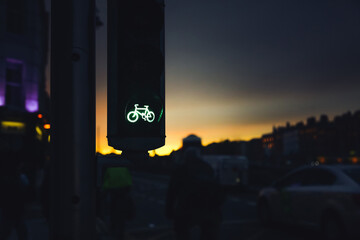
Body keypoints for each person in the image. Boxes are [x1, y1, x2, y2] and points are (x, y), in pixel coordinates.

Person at [165, 148, 226, 240]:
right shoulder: (207, 167)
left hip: (186, 207)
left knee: (181, 230)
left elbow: (172, 192)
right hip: (208, 208)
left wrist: (169, 210)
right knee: (209, 232)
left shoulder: (181, 169)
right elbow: (217, 186)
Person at [0, 152, 31, 240]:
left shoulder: (10, 178)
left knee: (7, 230)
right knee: (20, 231)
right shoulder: (19, 178)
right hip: (15, 208)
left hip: (9, 208)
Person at [101, 166, 135, 240]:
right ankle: (120, 233)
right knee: (122, 214)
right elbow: (129, 180)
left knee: (113, 211)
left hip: (114, 192)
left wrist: (104, 193)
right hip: (123, 192)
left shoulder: (109, 168)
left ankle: (113, 229)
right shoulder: (124, 167)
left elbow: (106, 182)